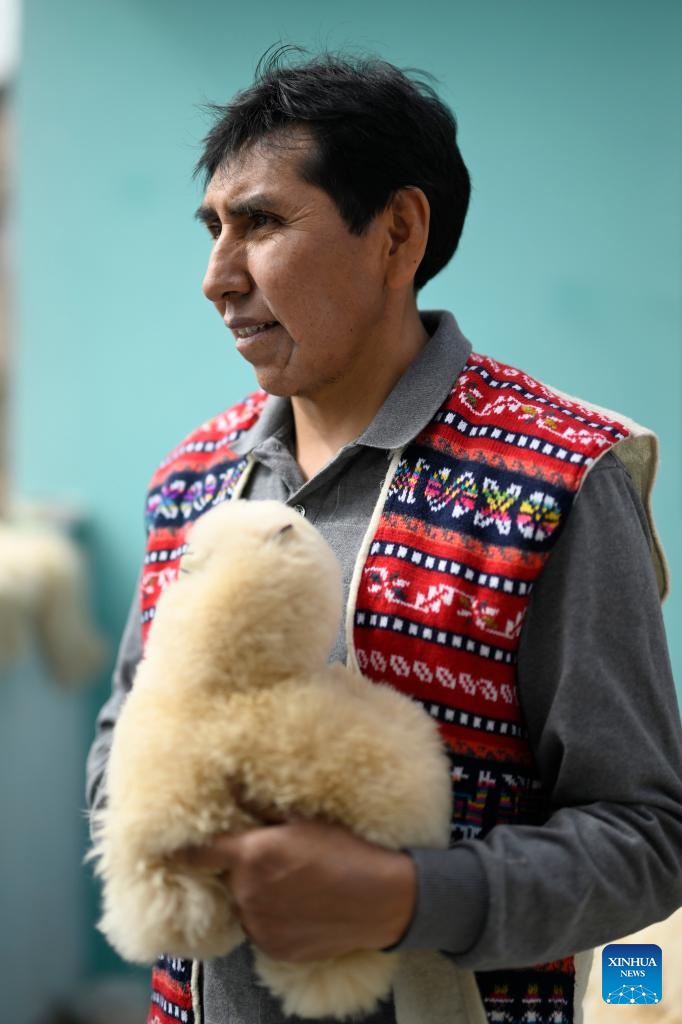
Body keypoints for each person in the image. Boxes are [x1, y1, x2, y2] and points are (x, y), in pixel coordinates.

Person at [86, 48, 682, 1024]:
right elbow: (124, 728)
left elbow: (647, 837)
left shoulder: (556, 478)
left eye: (262, 223)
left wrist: (400, 896)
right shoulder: (192, 479)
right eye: (211, 228)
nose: (215, 277)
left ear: (397, 232)